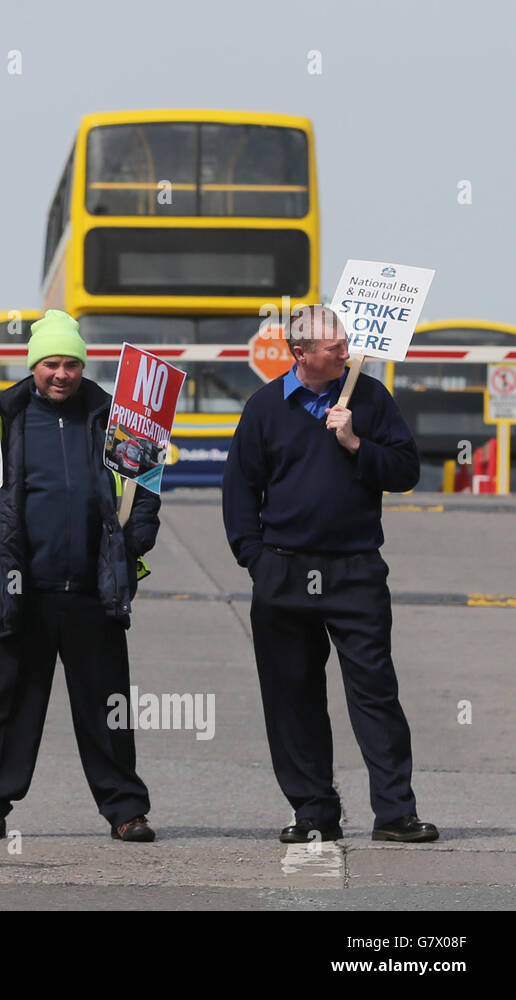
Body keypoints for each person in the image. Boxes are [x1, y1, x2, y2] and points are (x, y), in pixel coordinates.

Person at [222, 303, 438, 844]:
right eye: (335, 348)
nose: (348, 353)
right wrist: (256, 559)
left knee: (374, 693)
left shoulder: (369, 398)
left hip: (355, 570)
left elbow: (407, 471)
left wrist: (356, 443)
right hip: (284, 572)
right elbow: (240, 490)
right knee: (291, 696)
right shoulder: (265, 407)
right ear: (300, 354)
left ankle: (394, 812)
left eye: (347, 345)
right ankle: (314, 810)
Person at [0, 310, 161, 842]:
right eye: (50, 363)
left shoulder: (119, 417)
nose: (61, 373)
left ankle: (126, 809)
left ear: (83, 366)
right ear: (33, 365)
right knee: (11, 705)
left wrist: (127, 552)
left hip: (94, 592)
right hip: (22, 590)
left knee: (107, 708)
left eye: (71, 363)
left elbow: (145, 497)